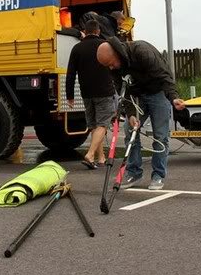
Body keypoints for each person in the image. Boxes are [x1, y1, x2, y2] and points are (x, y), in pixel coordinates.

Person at [96, 37, 186, 190]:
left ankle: (158, 175)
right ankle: (134, 173)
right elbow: (122, 91)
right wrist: (130, 114)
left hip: (159, 93)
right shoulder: (114, 68)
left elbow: (164, 76)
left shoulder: (142, 51)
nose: (111, 68)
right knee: (130, 130)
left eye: (111, 63)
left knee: (160, 135)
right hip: (138, 97)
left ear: (118, 54)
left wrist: (174, 98)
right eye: (107, 66)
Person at [66, 20, 116, 169]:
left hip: (86, 93)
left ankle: (100, 158)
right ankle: (90, 154)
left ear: (85, 31)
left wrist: (70, 96)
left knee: (94, 125)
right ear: (98, 31)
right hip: (104, 91)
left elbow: (70, 73)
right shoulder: (105, 45)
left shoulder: (77, 48)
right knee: (102, 124)